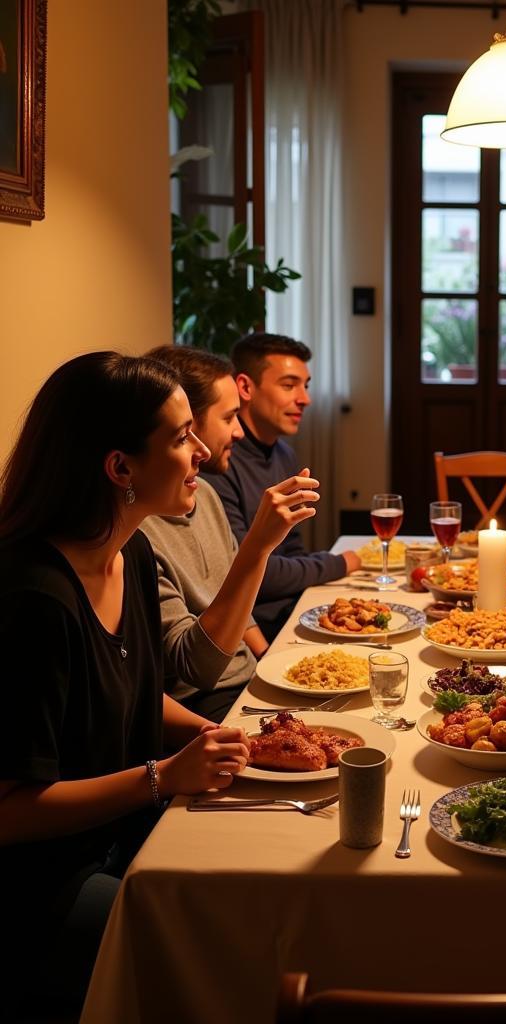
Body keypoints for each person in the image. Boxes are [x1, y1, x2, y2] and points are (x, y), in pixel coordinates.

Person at [0, 353, 259, 1017]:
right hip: (45, 883)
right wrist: (162, 777)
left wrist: (215, 733)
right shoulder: (34, 599)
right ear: (120, 468)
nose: (200, 450)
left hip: (127, 828)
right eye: (179, 438)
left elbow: (133, 693)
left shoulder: (131, 553)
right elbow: (11, 809)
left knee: (259, 889)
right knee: (219, 946)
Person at [142, 345, 324, 722]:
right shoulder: (137, 533)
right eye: (229, 418)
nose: (239, 432)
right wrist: (258, 545)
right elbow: (196, 669)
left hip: (246, 679)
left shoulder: (204, 494)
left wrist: (269, 657)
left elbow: (231, 598)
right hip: (206, 701)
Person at [203, 333, 360, 640]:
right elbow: (249, 572)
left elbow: (292, 549)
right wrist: (339, 562)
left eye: (306, 385)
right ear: (245, 387)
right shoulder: (219, 461)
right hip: (254, 628)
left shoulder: (284, 453)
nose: (305, 398)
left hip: (289, 610)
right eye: (289, 386)